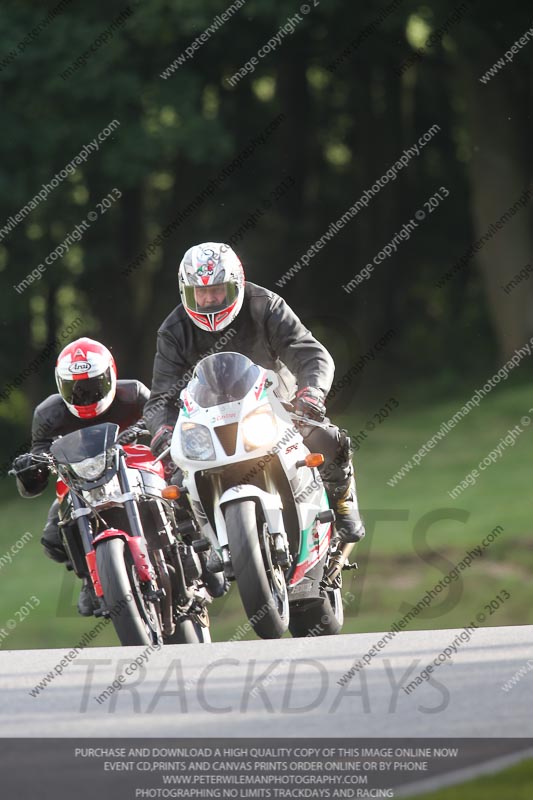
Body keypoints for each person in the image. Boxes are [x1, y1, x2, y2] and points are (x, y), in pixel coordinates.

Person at [144, 242, 366, 546]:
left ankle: (343, 505)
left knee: (328, 439)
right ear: (185, 291)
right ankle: (197, 544)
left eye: (218, 290)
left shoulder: (265, 305)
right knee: (172, 477)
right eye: (201, 292)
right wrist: (164, 433)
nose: (209, 300)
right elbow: (160, 399)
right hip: (208, 421)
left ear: (237, 284)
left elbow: (311, 354)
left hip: (276, 407)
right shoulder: (173, 330)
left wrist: (311, 392)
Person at [11, 337, 149, 616]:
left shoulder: (134, 393)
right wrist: (32, 465)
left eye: (92, 385)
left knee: (180, 488)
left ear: (110, 376)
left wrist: (147, 429)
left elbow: (162, 418)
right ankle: (89, 577)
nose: (84, 395)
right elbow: (40, 459)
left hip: (136, 470)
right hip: (81, 485)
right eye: (75, 389)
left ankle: (197, 544)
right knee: (53, 536)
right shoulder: (48, 413)